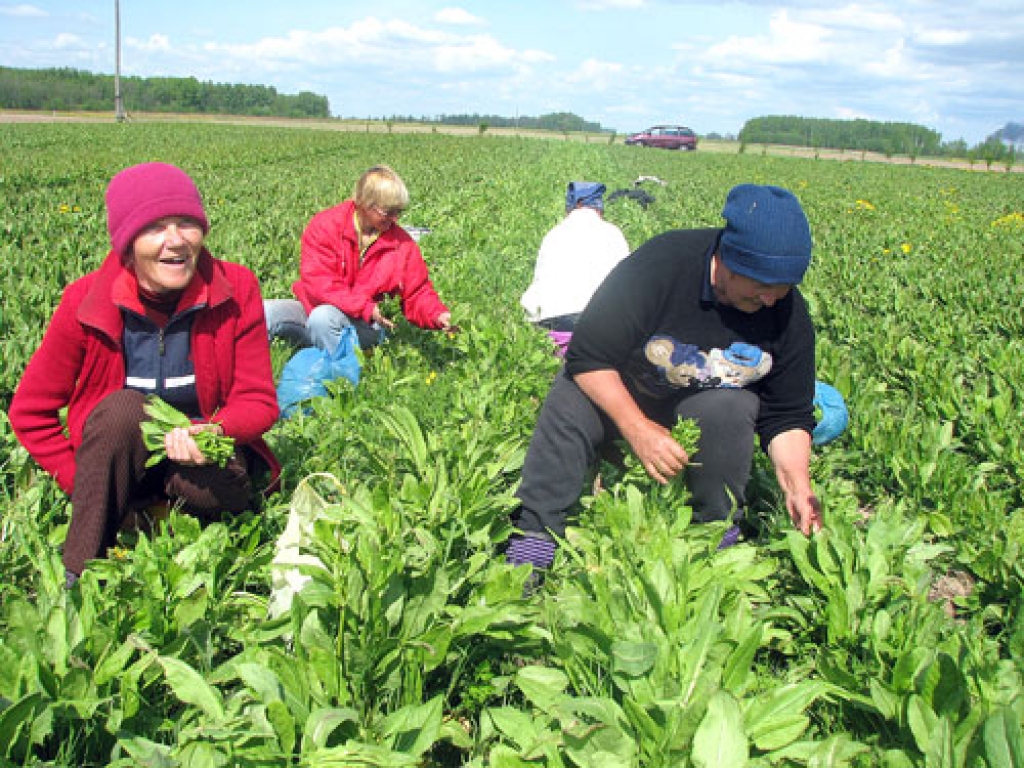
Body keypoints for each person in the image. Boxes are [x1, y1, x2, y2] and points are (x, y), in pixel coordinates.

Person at [506, 183, 823, 572]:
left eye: (783, 289)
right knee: (571, 395)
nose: (771, 300)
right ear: (728, 261)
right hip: (620, 395)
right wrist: (638, 429)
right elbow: (587, 356)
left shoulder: (786, 313)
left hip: (694, 411)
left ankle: (715, 538)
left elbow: (787, 415)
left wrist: (798, 486)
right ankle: (534, 536)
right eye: (762, 287)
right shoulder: (662, 265)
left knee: (732, 406)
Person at [8, 162, 281, 587]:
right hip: (119, 463)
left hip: (197, 466)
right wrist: (86, 484)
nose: (176, 240)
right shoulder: (85, 301)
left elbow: (258, 401)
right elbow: (29, 412)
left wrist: (213, 432)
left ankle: (180, 544)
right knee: (122, 409)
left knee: (218, 487)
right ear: (127, 244)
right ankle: (80, 579)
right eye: (155, 227)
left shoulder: (236, 288)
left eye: (187, 223)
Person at [264, 165, 453, 353]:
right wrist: (363, 306)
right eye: (388, 212)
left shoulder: (402, 245)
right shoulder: (326, 226)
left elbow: (417, 292)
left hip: (366, 323)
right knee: (264, 312)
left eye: (399, 211)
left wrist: (438, 315)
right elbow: (319, 280)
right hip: (314, 308)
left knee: (323, 319)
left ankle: (344, 370)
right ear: (365, 204)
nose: (395, 219)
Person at [520, 181, 631, 333]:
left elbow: (539, 282)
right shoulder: (614, 233)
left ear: (569, 209)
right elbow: (627, 283)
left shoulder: (554, 234)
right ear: (599, 209)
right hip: (604, 322)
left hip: (555, 320)